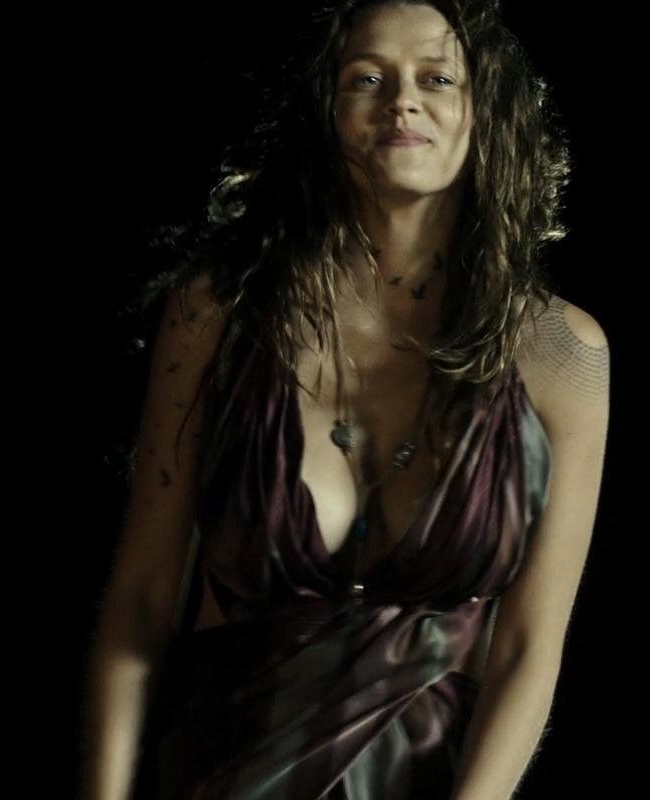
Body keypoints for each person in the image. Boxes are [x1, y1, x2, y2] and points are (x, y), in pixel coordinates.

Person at [82, 2, 609, 797]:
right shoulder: (218, 314)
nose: (402, 101)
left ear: (487, 111)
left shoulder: (562, 353)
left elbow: (529, 648)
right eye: (367, 78)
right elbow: (144, 598)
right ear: (325, 111)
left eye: (436, 79)